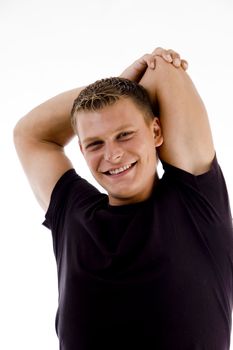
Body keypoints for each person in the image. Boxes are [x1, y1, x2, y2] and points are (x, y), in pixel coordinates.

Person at [14, 47, 233, 350]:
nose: (112, 154)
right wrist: (120, 87)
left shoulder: (194, 201)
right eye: (94, 143)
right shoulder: (73, 212)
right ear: (82, 152)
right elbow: (28, 134)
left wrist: (127, 93)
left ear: (157, 131)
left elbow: (164, 71)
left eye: (125, 134)